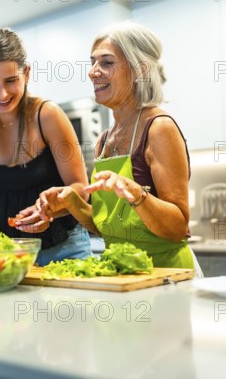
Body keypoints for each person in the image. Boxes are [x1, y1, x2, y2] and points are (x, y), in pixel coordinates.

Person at [37, 21, 201, 272]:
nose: (93, 71)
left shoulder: (159, 128)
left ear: (140, 69)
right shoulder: (105, 139)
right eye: (93, 62)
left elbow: (178, 226)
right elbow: (111, 225)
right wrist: (72, 201)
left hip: (166, 274)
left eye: (107, 62)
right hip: (124, 274)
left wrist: (137, 194)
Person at [0, 28, 92, 266]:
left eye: (11, 80)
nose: (2, 93)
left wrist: (51, 210)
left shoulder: (47, 116)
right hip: (3, 254)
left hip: (64, 248)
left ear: (27, 73)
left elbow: (80, 187)